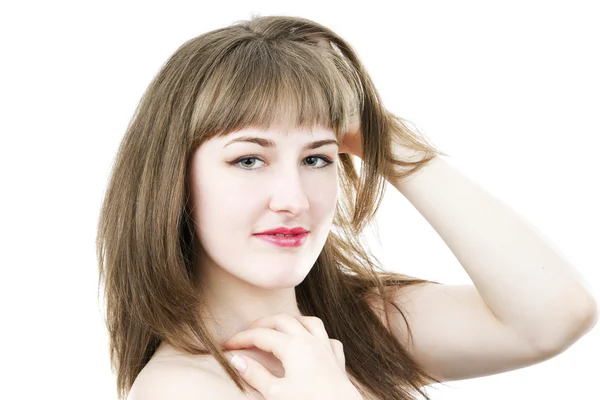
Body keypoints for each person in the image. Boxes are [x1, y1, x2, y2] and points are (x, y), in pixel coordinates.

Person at [96, 14, 598, 400]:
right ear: (173, 178)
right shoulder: (183, 388)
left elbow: (556, 315)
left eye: (316, 157)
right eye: (249, 159)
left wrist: (389, 144)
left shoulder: (358, 327)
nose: (293, 199)